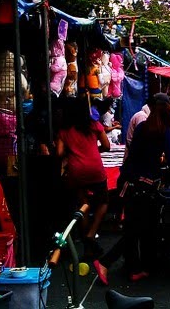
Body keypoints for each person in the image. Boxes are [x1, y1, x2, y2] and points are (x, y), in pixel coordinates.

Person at [93, 93, 170, 285]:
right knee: (136, 229)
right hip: (140, 186)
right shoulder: (163, 129)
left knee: (140, 227)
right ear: (165, 110)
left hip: (130, 181)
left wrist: (157, 159)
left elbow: (138, 155)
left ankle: (135, 269)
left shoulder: (143, 126)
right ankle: (104, 262)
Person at [56, 97, 111, 260]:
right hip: (95, 168)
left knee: (83, 206)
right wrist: (93, 152)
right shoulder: (93, 125)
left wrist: (72, 154)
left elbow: (59, 154)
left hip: (76, 171)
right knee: (103, 202)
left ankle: (87, 249)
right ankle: (92, 233)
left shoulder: (64, 130)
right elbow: (107, 146)